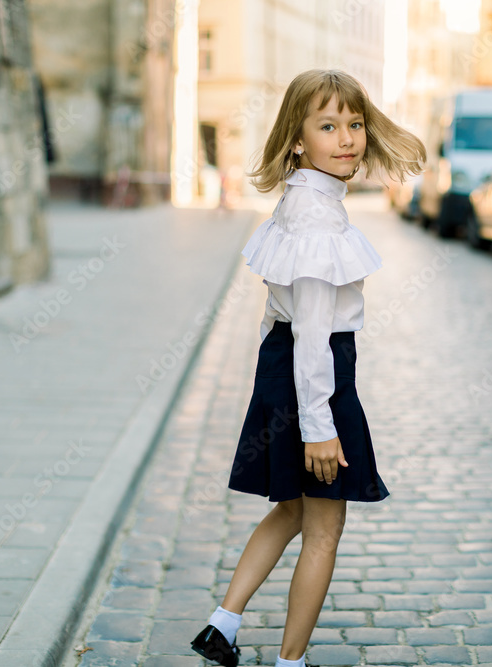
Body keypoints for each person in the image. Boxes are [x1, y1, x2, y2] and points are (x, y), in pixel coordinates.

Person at [190, 69, 426, 667]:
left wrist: (276, 395)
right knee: (322, 531)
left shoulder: (297, 200)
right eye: (328, 125)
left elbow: (276, 316)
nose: (346, 138)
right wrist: (319, 424)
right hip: (315, 381)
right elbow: (315, 335)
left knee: (290, 510)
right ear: (298, 139)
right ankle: (290, 664)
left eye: (354, 124)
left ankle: (222, 624)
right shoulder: (319, 219)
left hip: (284, 371)